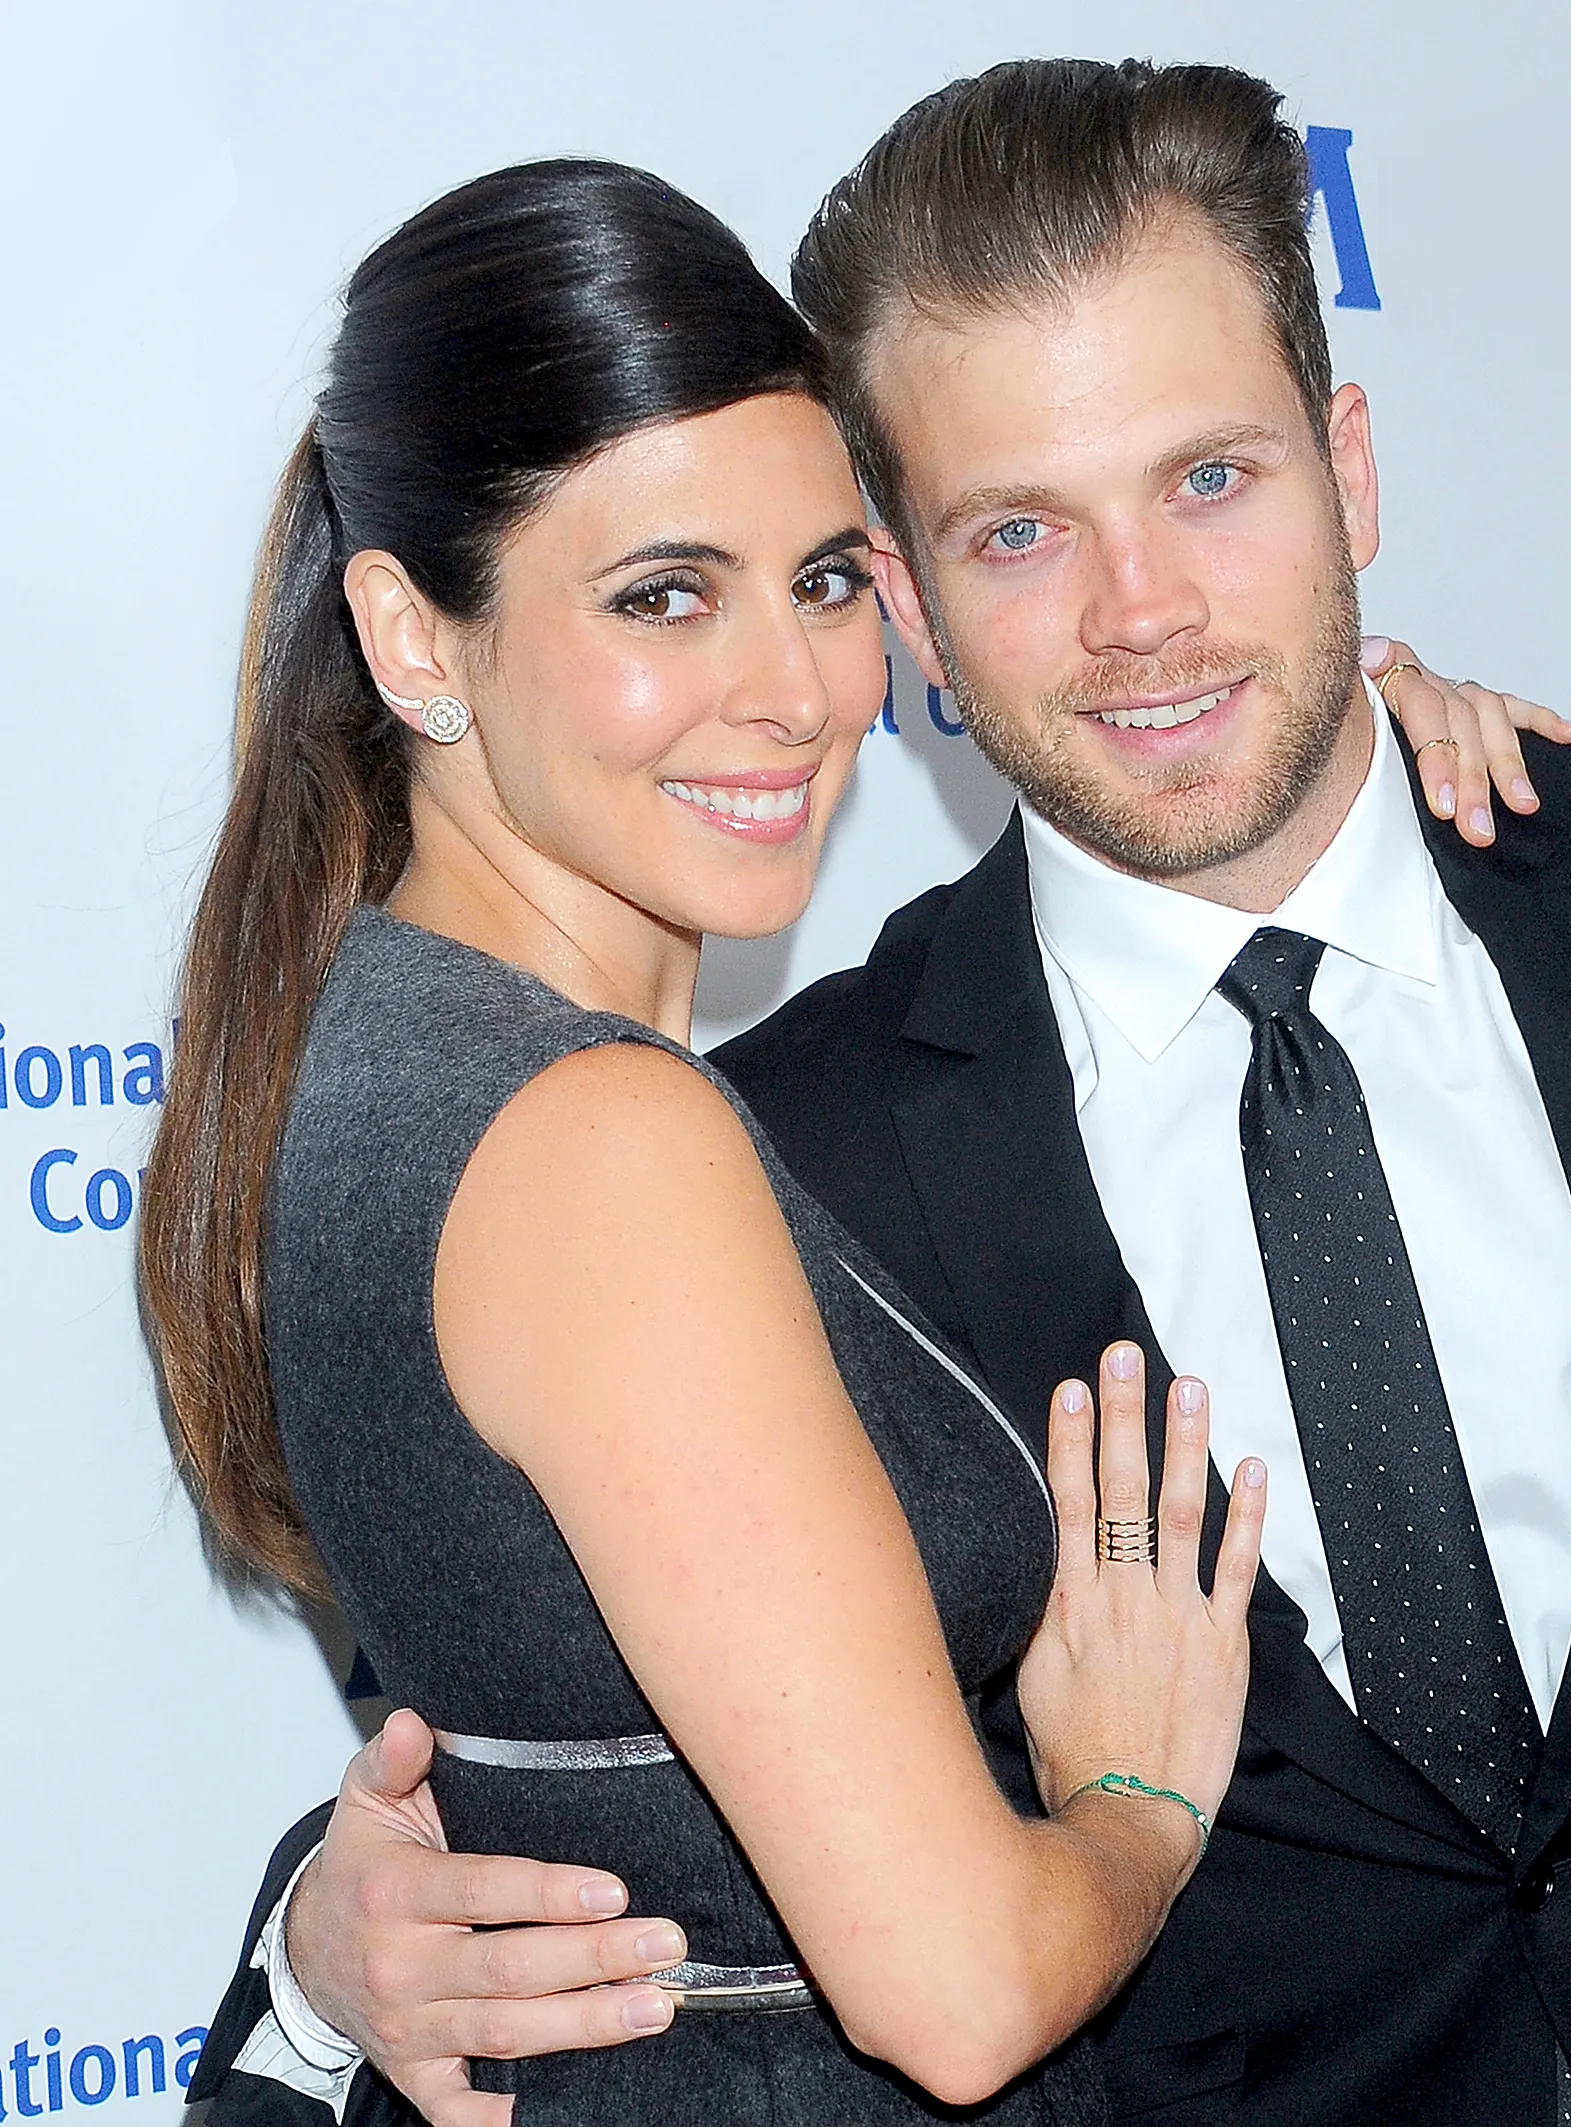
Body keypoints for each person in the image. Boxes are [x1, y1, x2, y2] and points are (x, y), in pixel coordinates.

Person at [194, 54, 1571, 2127]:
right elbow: (590, 1734)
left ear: (1348, 468)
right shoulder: (781, 1147)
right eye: (1021, 530)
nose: (1142, 612)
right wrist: (328, 1929)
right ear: (912, 598)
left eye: (1211, 480)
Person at [138, 155, 1288, 2127]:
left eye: (825, 581)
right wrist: (1135, 1792)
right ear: (413, 640)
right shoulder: (596, 1140)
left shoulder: (367, 1039)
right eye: (665, 595)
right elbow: (955, 1992)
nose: (797, 692)